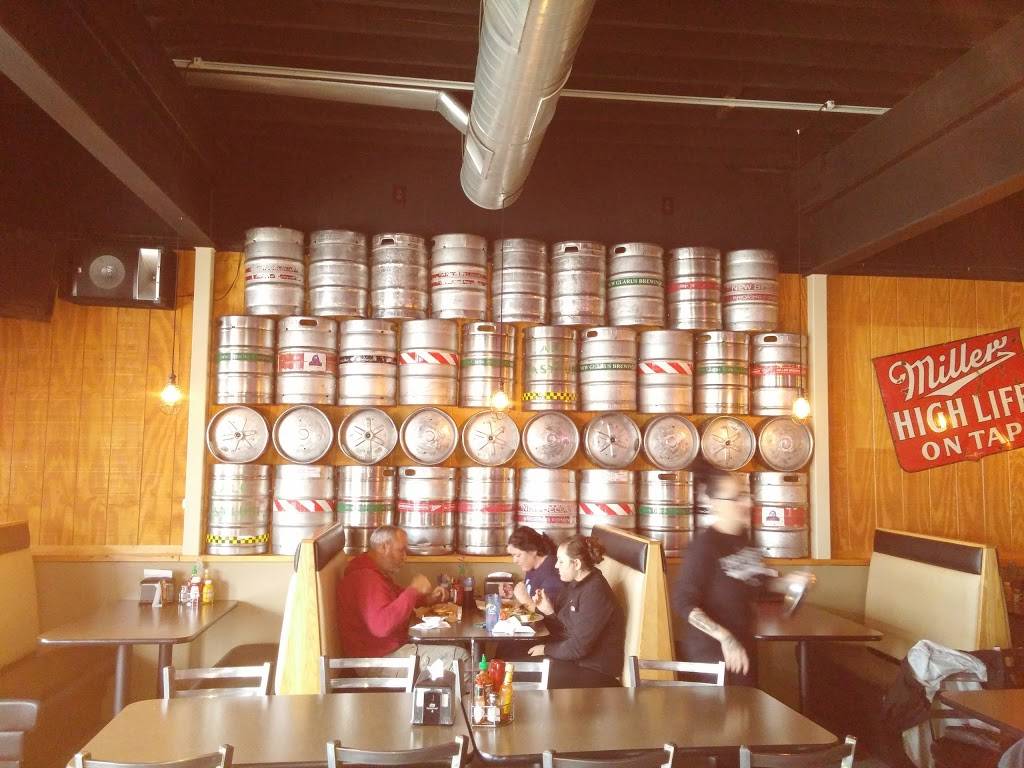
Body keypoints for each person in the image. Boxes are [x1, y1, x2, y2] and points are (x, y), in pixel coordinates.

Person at [673, 472, 811, 686]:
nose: (747, 503)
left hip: (743, 648)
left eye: (746, 495)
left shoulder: (744, 539)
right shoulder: (703, 548)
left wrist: (788, 582)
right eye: (737, 498)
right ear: (716, 504)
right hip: (713, 659)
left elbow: (756, 582)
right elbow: (683, 602)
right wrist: (725, 638)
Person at [337, 525, 469, 672]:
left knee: (459, 644)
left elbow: (396, 597)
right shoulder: (367, 578)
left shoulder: (375, 573)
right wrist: (413, 590)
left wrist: (427, 599)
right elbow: (382, 626)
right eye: (401, 550)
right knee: (461, 658)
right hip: (377, 662)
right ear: (383, 547)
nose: (405, 557)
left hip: (386, 652)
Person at [527, 534, 625, 688]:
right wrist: (549, 611)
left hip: (596, 671)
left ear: (577, 564)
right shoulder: (575, 584)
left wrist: (546, 649)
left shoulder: (595, 592)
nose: (556, 566)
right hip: (578, 662)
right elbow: (568, 629)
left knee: (527, 673)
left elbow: (578, 647)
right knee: (517, 658)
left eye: (561, 561)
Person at [507, 525, 563, 610]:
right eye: (513, 555)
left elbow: (548, 616)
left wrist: (525, 600)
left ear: (533, 551)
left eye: (518, 555)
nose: (514, 560)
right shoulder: (532, 566)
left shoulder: (552, 574)